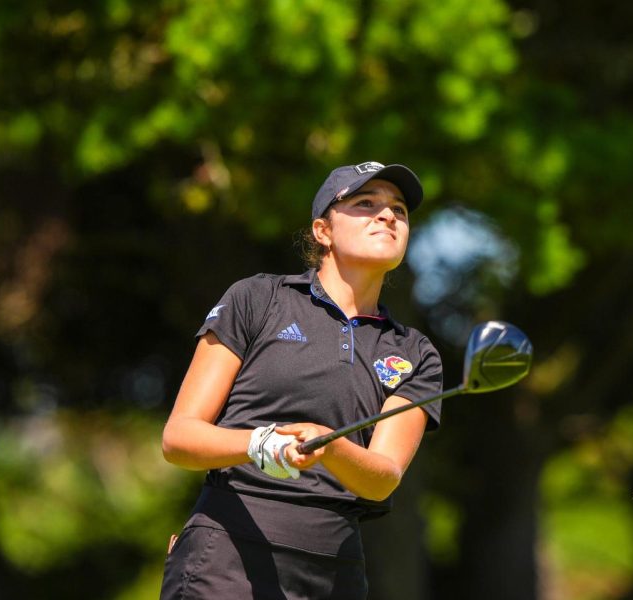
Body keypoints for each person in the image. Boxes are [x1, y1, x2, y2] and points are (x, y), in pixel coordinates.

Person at [159, 161, 443, 599]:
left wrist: (329, 445)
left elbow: (383, 477)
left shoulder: (414, 352)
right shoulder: (258, 299)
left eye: (399, 210)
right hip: (230, 555)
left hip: (335, 572)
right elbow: (179, 438)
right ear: (322, 231)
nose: (387, 215)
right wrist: (259, 444)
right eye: (366, 204)